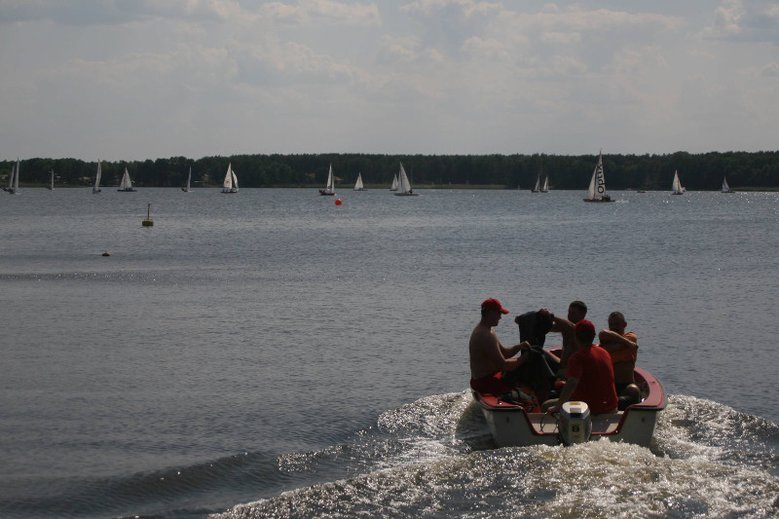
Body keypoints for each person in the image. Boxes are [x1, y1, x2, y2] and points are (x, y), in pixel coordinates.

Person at [543, 320, 618, 415]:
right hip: (612, 408)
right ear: (593, 335)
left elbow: (572, 382)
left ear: (575, 337)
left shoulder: (577, 357)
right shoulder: (604, 352)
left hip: (590, 409)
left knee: (546, 405)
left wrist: (558, 406)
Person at [469, 298, 533, 396]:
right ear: (490, 313)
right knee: (526, 397)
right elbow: (503, 365)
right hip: (484, 382)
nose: (500, 317)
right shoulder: (485, 335)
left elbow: (505, 353)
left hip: (489, 377)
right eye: (499, 314)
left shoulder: (489, 330)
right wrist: (523, 359)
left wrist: (519, 347)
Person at [599, 311, 641, 409]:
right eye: (611, 325)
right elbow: (602, 333)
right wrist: (626, 344)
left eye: (617, 324)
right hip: (611, 386)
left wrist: (620, 344)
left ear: (625, 324)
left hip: (626, 385)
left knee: (634, 391)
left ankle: (613, 404)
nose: (614, 327)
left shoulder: (631, 336)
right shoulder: (607, 339)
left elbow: (611, 347)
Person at [548, 300, 588, 375]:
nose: (569, 316)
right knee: (539, 351)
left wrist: (552, 316)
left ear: (583, 315)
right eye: (569, 312)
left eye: (573, 313)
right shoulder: (565, 327)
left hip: (574, 369)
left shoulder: (584, 328)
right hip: (562, 365)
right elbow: (548, 328)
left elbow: (572, 327)